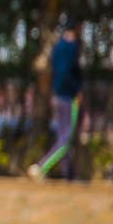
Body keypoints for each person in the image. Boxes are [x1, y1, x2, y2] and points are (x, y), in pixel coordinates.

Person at [29, 21, 83, 181]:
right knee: (66, 139)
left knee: (62, 136)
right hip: (69, 96)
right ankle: (41, 167)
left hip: (58, 95)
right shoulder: (72, 47)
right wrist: (76, 91)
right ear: (77, 29)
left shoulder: (58, 47)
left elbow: (54, 70)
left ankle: (69, 174)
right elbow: (69, 72)